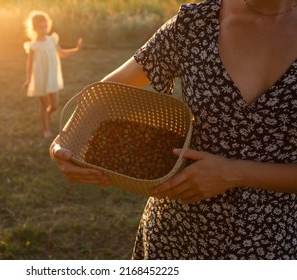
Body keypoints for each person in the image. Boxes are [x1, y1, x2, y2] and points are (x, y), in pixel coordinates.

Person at [49, 0, 297, 259]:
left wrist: (235, 173)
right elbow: (105, 94)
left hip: (272, 241)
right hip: (176, 232)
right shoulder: (195, 24)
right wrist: (63, 143)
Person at [23, 10, 83, 139]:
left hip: (52, 77)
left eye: (45, 26)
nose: (44, 30)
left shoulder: (52, 40)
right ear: (34, 28)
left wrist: (76, 49)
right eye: (40, 27)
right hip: (40, 77)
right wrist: (28, 80)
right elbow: (29, 64)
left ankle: (49, 113)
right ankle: (45, 129)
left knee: (55, 105)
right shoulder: (33, 45)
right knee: (43, 105)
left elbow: (62, 53)